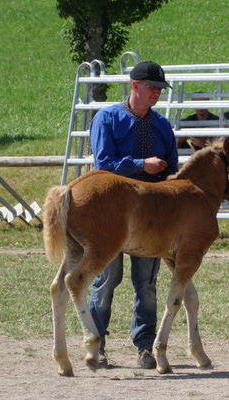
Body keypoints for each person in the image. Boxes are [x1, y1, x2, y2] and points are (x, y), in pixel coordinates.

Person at [88, 61, 178, 369]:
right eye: (152, 88)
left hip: (149, 217)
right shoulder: (107, 119)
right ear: (134, 86)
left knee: (146, 283)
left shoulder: (163, 126)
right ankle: (96, 343)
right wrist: (142, 165)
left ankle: (145, 346)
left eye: (159, 90)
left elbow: (173, 173)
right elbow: (103, 164)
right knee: (107, 278)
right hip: (110, 214)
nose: (157, 94)